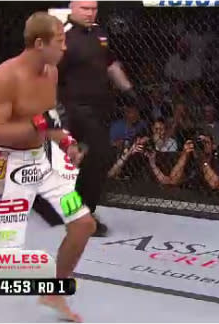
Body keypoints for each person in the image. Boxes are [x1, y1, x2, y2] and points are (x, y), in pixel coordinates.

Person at [0, 12, 96, 323]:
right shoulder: (5, 77)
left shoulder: (51, 74)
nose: (65, 49)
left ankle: (54, 291)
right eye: (60, 42)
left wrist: (67, 142)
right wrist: (40, 126)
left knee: (83, 224)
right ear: (40, 43)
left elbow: (49, 122)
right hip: (4, 167)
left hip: (40, 164)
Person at [54, 0, 137, 236]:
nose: (90, 13)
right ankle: (82, 214)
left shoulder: (99, 33)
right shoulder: (63, 38)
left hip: (99, 108)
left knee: (90, 161)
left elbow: (110, 65)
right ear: (72, 8)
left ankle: (76, 209)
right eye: (85, 9)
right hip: (75, 110)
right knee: (100, 155)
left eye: (94, 8)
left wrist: (129, 90)